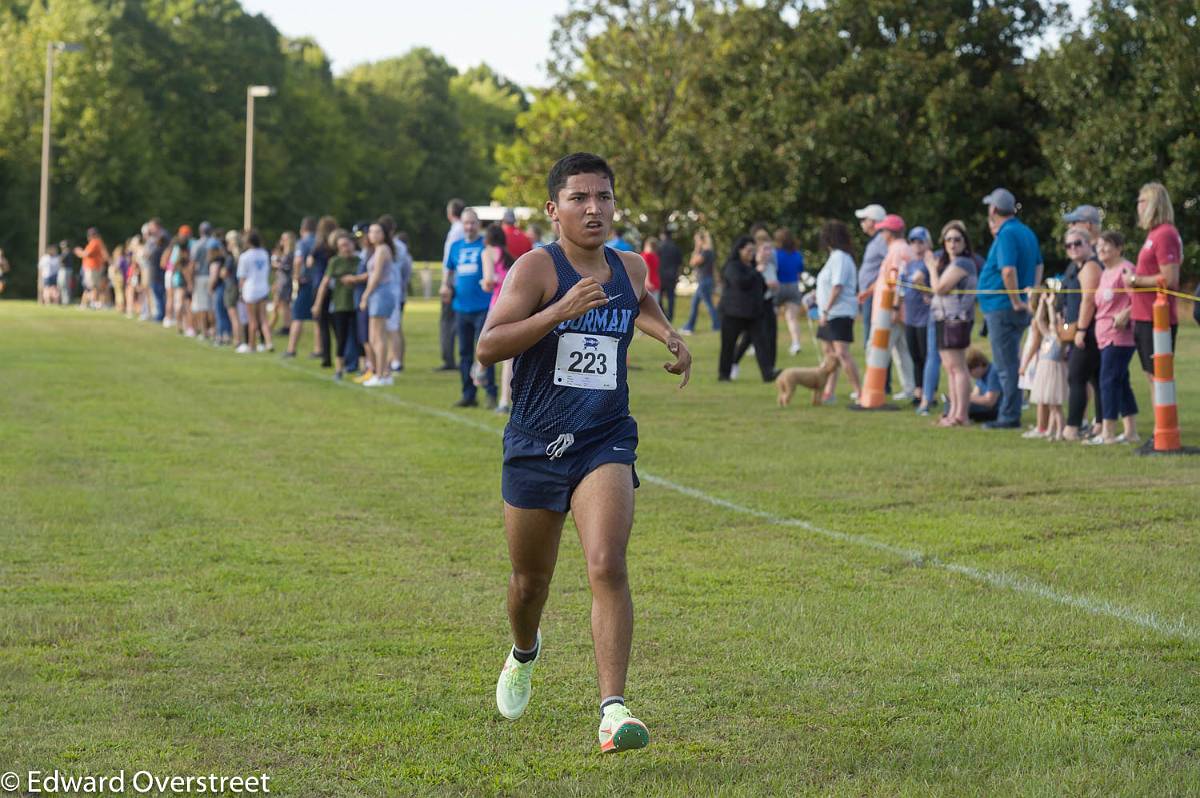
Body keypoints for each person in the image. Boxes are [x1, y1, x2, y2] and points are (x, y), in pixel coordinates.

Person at [475, 152, 691, 753]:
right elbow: (489, 347)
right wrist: (557, 311)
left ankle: (613, 711)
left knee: (606, 562)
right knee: (529, 583)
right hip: (536, 443)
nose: (593, 208)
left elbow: (638, 303)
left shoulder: (629, 266)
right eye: (579, 198)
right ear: (554, 210)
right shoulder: (536, 269)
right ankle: (524, 651)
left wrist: (669, 335)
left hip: (604, 437)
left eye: (603, 197)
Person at [978, 187, 1043, 429]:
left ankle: (1008, 416)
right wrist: (1031, 296)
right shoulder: (1026, 231)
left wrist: (1016, 300)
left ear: (994, 210)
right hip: (1011, 308)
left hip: (1003, 308)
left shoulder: (1006, 234)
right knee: (1011, 361)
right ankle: (1009, 410)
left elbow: (1007, 270)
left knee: (1006, 365)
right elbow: (1039, 265)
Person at [1124, 182, 1183, 404]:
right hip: (1143, 316)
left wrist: (1134, 280)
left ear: (1154, 204)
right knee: (1152, 376)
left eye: (1142, 201)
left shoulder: (1165, 234)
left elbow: (1169, 279)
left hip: (1156, 318)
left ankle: (1165, 432)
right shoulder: (1154, 233)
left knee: (1159, 377)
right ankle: (1160, 432)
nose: (1138, 206)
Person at [1088, 230, 1140, 445]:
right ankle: (1130, 431)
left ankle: (1107, 431)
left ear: (1119, 248)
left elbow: (1138, 298)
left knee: (1108, 381)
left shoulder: (1126, 270)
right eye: (1099, 245)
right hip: (1104, 336)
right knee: (1121, 381)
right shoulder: (1105, 272)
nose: (1101, 249)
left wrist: (1125, 314)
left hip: (1119, 337)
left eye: (1107, 245)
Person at [443, 209, 496, 407]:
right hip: (461, 307)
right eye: (466, 223)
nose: (469, 227)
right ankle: (468, 394)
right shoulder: (456, 246)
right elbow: (449, 270)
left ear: (478, 224)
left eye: (472, 223)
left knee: (485, 352)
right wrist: (445, 285)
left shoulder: (486, 245)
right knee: (464, 352)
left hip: (483, 306)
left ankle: (491, 392)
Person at [927, 220, 978, 427]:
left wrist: (931, 268)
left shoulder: (963, 263)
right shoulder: (949, 263)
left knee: (957, 367)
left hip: (956, 320)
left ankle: (960, 415)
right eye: (948, 240)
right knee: (950, 368)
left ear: (965, 242)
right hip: (943, 318)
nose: (952, 243)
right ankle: (953, 412)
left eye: (957, 239)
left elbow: (939, 288)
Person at [815, 220, 863, 403]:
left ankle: (859, 391)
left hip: (839, 312)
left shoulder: (841, 257)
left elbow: (838, 286)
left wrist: (826, 310)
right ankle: (829, 392)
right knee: (830, 354)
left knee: (842, 353)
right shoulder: (834, 257)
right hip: (828, 312)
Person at [718, 236, 776, 382]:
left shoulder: (752, 267)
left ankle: (768, 373)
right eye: (749, 250)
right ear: (740, 250)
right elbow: (740, 283)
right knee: (728, 345)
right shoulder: (733, 266)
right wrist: (757, 271)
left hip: (753, 313)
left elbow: (761, 287)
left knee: (761, 343)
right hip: (733, 313)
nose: (751, 253)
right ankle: (724, 375)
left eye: (753, 250)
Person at [1062, 231, 1103, 440]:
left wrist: (1081, 330)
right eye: (1068, 245)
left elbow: (1089, 300)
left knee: (1076, 376)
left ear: (1089, 244)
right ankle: (1100, 425)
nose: (1073, 248)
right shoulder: (1078, 267)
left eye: (1077, 243)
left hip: (1091, 330)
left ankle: (1072, 426)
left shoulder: (1090, 267)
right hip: (1087, 330)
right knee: (1096, 379)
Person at [873, 214, 916, 400]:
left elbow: (900, 281)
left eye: (883, 230)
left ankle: (874, 389)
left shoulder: (897, 250)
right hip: (897, 310)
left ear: (890, 232)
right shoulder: (901, 248)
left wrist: (895, 307)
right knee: (902, 351)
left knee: (879, 349)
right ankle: (909, 388)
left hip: (890, 310)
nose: (881, 234)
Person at [1020, 292, 1068, 440]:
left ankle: (1060, 431)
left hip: (1053, 373)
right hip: (1045, 371)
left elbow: (1052, 323)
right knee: (1052, 406)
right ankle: (1050, 430)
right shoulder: (1047, 336)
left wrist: (1051, 307)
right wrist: (1043, 303)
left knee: (1056, 407)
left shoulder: (1058, 340)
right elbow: (1040, 320)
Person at [313, 231, 359, 380]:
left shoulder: (359, 261)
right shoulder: (335, 262)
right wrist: (317, 305)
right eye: (342, 246)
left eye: (347, 244)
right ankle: (339, 370)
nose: (345, 248)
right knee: (341, 338)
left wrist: (354, 279)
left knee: (360, 338)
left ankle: (364, 367)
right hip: (339, 305)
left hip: (356, 305)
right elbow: (324, 284)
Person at [482, 223, 516, 413]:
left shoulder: (487, 253)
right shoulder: (508, 256)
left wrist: (485, 283)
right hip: (513, 307)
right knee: (509, 359)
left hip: (496, 306)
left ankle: (478, 374)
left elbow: (488, 281)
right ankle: (505, 400)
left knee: (486, 347)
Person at [359, 223, 396, 387]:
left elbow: (376, 276)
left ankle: (381, 375)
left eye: (378, 231)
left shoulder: (382, 250)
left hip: (381, 293)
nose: (373, 234)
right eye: (371, 231)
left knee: (378, 336)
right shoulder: (376, 250)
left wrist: (365, 295)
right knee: (373, 336)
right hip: (377, 294)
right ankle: (382, 372)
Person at [902, 227, 933, 412]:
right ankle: (917, 392)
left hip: (925, 317)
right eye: (913, 242)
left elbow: (917, 280)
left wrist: (923, 289)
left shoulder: (929, 261)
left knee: (925, 356)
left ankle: (929, 393)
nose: (916, 245)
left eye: (920, 241)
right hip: (910, 316)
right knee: (914, 356)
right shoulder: (910, 263)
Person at [437, 199, 465, 372]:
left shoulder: (455, 231)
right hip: (459, 282)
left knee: (448, 323)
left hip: (453, 284)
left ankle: (449, 359)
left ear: (450, 213)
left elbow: (449, 261)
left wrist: (445, 284)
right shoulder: (463, 230)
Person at [285, 217, 318, 359]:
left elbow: (298, 260)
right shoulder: (319, 241)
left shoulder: (302, 243)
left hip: (305, 282)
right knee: (317, 317)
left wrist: (295, 277)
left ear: (302, 229)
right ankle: (318, 349)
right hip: (318, 282)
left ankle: (291, 349)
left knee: (297, 316)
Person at [236, 230, 273, 353]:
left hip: (250, 289)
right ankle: (268, 343)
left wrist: (240, 292)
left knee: (252, 319)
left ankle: (251, 345)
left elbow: (242, 277)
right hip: (263, 288)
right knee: (263, 318)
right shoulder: (264, 254)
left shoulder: (245, 256)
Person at [773, 227, 806, 356]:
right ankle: (796, 343)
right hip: (793, 286)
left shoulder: (775, 254)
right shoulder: (797, 254)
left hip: (778, 286)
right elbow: (799, 272)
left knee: (772, 317)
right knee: (792, 318)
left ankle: (770, 342)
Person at [680, 229, 718, 334]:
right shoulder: (709, 252)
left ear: (701, 240)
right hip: (706, 280)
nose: (696, 242)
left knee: (707, 304)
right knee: (696, 303)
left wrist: (696, 249)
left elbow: (693, 262)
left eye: (697, 240)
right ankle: (690, 326)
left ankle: (716, 325)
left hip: (704, 281)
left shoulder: (705, 252)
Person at [75, 227, 109, 309]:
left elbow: (86, 254)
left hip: (92, 267)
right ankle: (85, 304)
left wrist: (78, 252)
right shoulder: (97, 242)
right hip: (94, 267)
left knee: (92, 287)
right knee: (90, 287)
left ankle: (93, 303)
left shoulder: (94, 242)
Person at [966, 348, 1002, 423]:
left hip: (995, 410)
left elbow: (990, 401)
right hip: (986, 407)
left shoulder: (993, 373)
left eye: (970, 371)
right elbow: (975, 394)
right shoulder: (981, 375)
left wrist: (966, 398)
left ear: (979, 366)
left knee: (962, 406)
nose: (970, 375)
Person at [270, 230, 295, 335]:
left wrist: (276, 264)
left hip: (285, 283)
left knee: (283, 305)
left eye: (284, 239)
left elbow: (287, 268)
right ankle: (284, 326)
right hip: (281, 281)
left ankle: (286, 327)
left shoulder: (290, 253)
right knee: (282, 305)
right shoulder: (285, 253)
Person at [656, 228, 682, 322]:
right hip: (672, 275)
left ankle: (662, 314)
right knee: (671, 297)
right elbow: (679, 263)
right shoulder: (676, 247)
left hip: (661, 275)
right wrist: (678, 275)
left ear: (663, 235)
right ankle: (670, 317)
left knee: (658, 297)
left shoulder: (659, 246)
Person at [641, 236, 661, 304]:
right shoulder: (655, 256)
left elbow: (646, 268)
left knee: (645, 307)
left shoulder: (645, 255)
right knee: (655, 305)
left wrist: (647, 281)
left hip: (647, 283)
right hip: (656, 282)